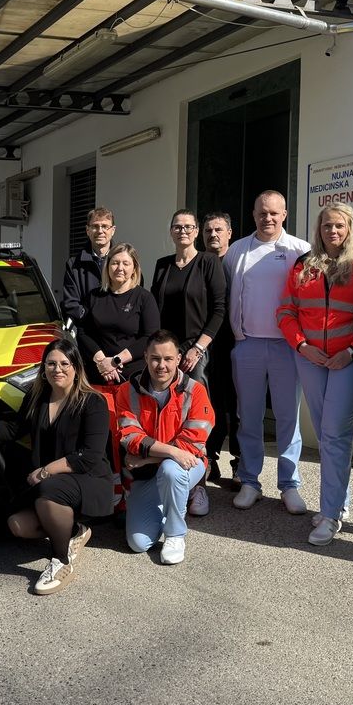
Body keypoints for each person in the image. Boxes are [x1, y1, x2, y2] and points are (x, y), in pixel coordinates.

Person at [0, 338, 114, 596]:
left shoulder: (93, 402)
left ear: (77, 367)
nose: (57, 369)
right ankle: (75, 531)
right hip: (52, 485)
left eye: (64, 363)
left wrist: (45, 471)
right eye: (51, 364)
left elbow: (90, 456)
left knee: (49, 491)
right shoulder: (37, 398)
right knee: (18, 525)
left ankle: (61, 561)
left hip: (89, 480)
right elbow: (11, 430)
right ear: (43, 369)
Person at [277, 203, 353, 546]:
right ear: (318, 229)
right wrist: (302, 346)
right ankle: (340, 501)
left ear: (349, 227)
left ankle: (330, 514)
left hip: (349, 360)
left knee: (335, 434)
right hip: (310, 358)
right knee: (326, 435)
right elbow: (286, 311)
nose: (332, 231)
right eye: (326, 226)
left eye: (339, 225)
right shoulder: (304, 264)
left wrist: (352, 351)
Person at [225, 191, 311, 515]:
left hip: (287, 347)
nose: (268, 218)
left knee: (288, 418)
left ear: (284, 214)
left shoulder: (300, 250)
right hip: (247, 344)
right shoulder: (237, 251)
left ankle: (289, 485)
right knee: (248, 417)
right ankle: (250, 481)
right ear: (254, 214)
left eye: (274, 213)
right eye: (262, 212)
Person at [149, 208, 224, 517]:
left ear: (196, 232)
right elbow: (154, 311)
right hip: (166, 354)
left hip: (196, 352)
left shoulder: (208, 262)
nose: (183, 231)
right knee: (164, 415)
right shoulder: (162, 265)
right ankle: (166, 477)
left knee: (194, 419)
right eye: (177, 226)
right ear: (171, 231)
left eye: (189, 227)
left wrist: (198, 349)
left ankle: (199, 484)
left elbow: (219, 309)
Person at [116, 330, 213, 565]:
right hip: (146, 474)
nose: (162, 365)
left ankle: (175, 535)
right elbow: (130, 438)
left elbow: (193, 443)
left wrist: (148, 458)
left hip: (186, 466)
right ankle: (170, 500)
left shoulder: (195, 391)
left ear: (178, 359)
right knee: (138, 544)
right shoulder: (126, 391)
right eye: (155, 358)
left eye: (168, 359)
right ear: (145, 357)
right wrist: (171, 451)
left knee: (171, 471)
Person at [76, 243, 159, 386]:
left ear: (134, 268)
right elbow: (83, 333)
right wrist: (103, 362)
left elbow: (150, 337)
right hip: (98, 375)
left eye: (126, 263)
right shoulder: (93, 296)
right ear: (107, 266)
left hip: (134, 378)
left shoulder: (144, 298)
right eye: (115, 263)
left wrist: (115, 361)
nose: (120, 268)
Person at [201, 212, 240, 485]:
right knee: (209, 404)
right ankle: (209, 459)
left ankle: (239, 462)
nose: (213, 234)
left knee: (237, 406)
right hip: (206, 345)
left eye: (218, 230)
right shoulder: (199, 263)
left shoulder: (239, 262)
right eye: (208, 230)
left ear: (229, 233)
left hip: (236, 342)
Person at [61, 206, 116, 326]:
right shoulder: (74, 265)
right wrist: (91, 319)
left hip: (118, 330)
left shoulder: (124, 262)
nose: (100, 231)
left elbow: (134, 296)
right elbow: (71, 304)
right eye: (95, 226)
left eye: (105, 226)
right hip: (87, 330)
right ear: (87, 230)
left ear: (113, 230)